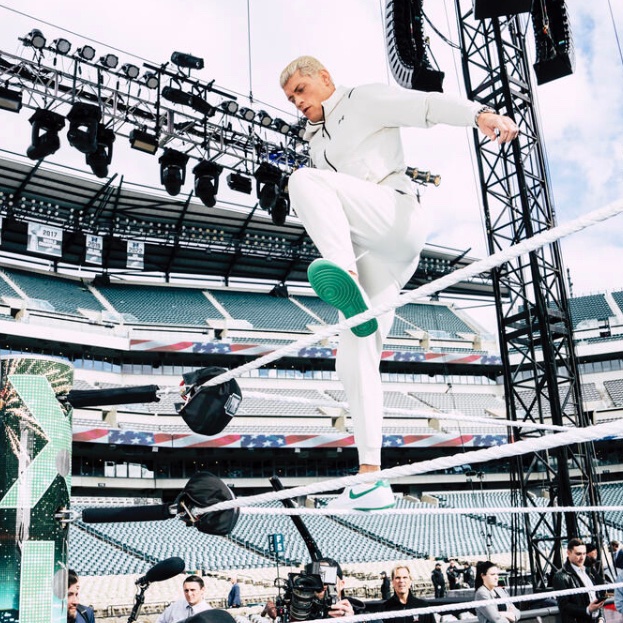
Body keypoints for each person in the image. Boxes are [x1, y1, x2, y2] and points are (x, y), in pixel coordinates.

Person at [280, 55, 519, 510]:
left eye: (301, 91)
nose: (297, 103)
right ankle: (371, 475)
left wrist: (481, 116)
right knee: (352, 358)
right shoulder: (316, 142)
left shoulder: (362, 98)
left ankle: (343, 273)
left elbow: (425, 106)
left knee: (305, 183)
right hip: (379, 254)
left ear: (325, 77)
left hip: (396, 215)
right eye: (291, 99)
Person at [553, 538, 606, 623]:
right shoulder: (560, 576)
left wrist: (601, 618)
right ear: (568, 553)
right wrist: (587, 609)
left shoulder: (589, 571)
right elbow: (564, 606)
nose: (582, 557)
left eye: (584, 554)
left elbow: (597, 597)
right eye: (578, 554)